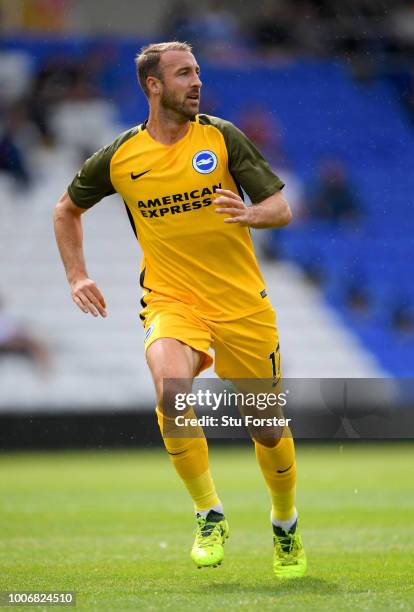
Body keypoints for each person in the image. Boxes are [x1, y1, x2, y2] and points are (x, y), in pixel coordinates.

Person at [53, 41, 306, 578]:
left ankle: (285, 524)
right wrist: (77, 274)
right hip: (172, 300)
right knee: (170, 392)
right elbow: (66, 209)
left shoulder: (221, 136)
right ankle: (208, 513)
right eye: (184, 73)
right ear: (153, 85)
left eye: (198, 72)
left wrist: (251, 214)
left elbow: (281, 207)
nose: (197, 82)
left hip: (241, 305)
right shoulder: (121, 156)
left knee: (265, 427)